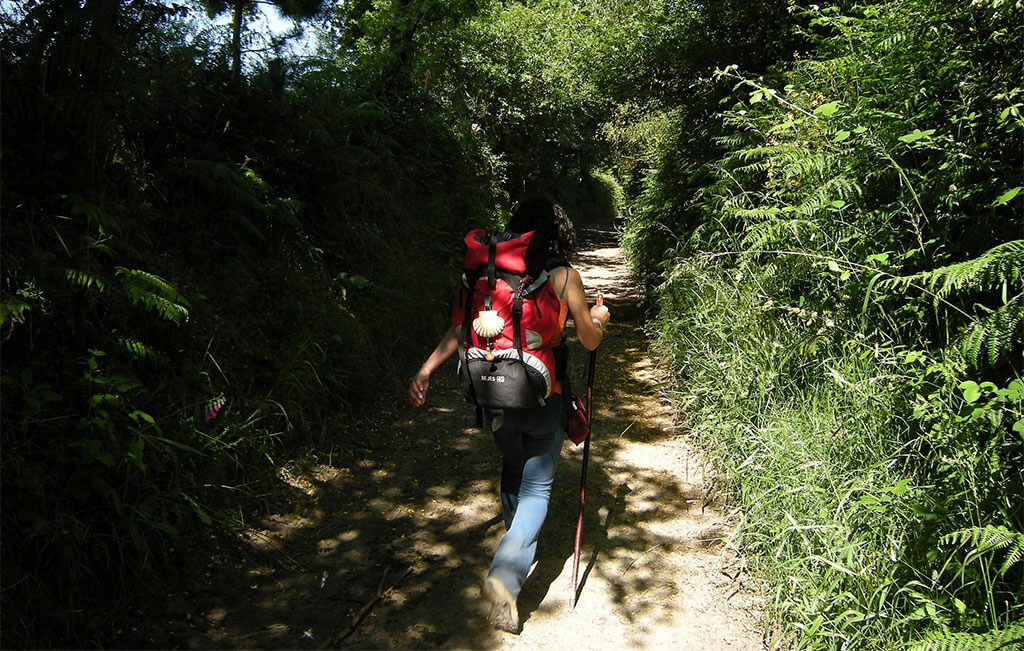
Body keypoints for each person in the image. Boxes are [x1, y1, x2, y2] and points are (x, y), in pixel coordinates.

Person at [407, 197, 610, 633]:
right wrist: (600, 317)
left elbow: (462, 328)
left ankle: (516, 542)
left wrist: (426, 369)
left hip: (490, 394)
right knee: (538, 487)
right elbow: (590, 340)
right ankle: (506, 572)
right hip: (541, 394)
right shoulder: (563, 275)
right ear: (559, 233)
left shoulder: (491, 273)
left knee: (512, 467)